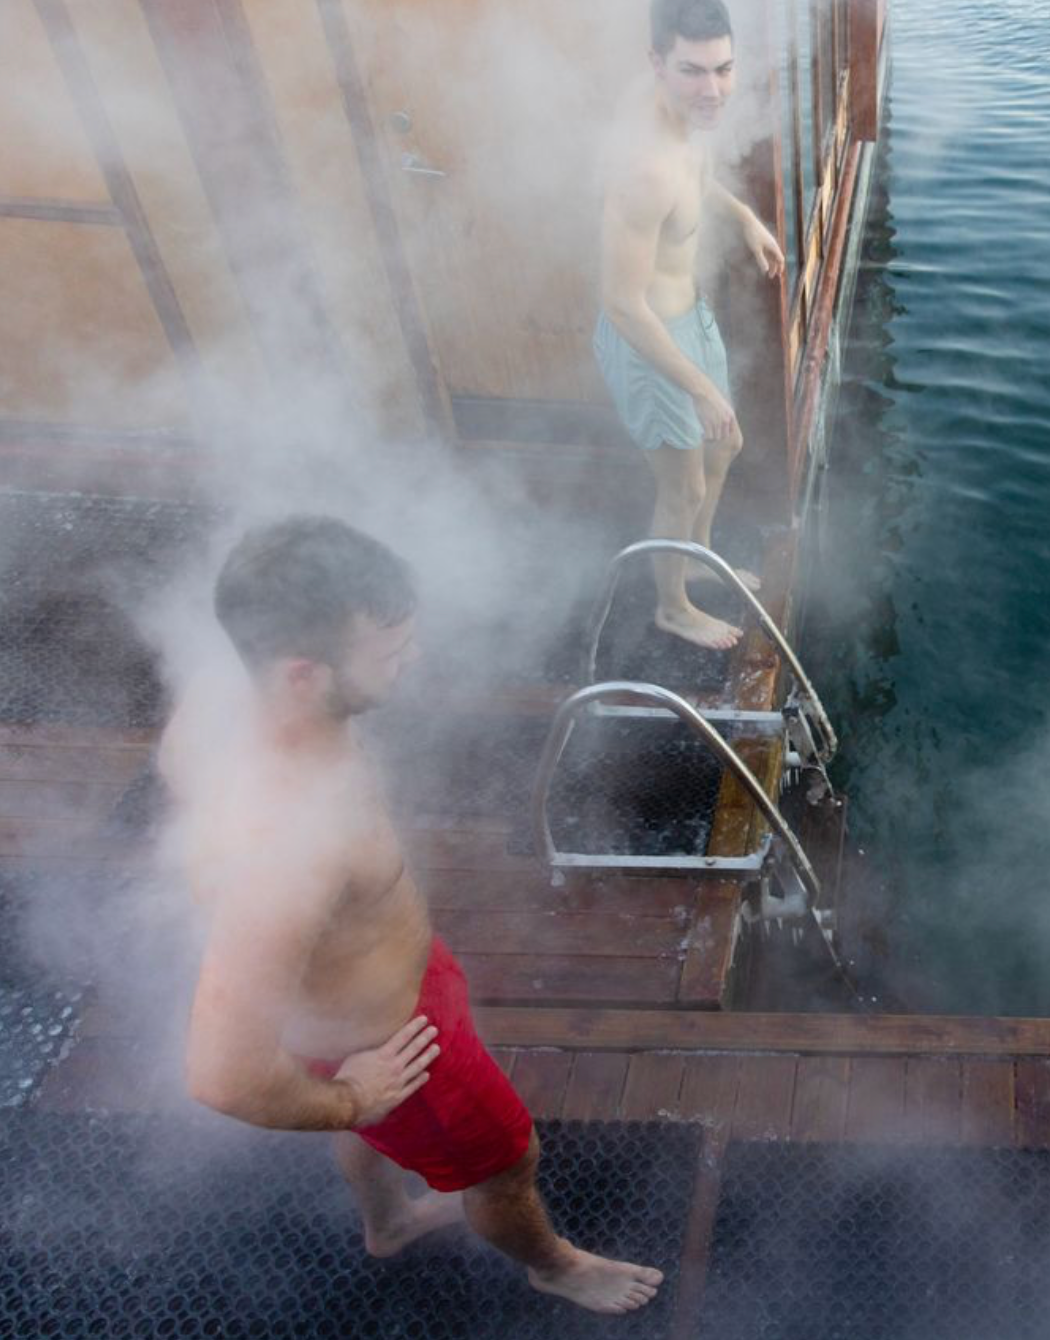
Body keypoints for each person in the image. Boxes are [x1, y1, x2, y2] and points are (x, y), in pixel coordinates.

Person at [162, 516, 662, 1315]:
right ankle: (553, 1265)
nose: (413, 660)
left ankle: (389, 1221)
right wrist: (354, 1097)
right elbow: (221, 1074)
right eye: (391, 654)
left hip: (378, 1007)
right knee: (507, 1162)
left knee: (375, 1129)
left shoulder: (226, 698)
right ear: (302, 675)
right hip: (397, 1050)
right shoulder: (288, 846)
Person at [595, 0, 785, 650]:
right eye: (693, 71)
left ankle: (699, 553)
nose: (713, 90)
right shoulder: (641, 168)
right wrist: (700, 389)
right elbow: (621, 304)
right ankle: (671, 607)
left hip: (687, 316)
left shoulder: (682, 117)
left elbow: (696, 181)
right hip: (648, 339)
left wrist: (745, 218)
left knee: (725, 446)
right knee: (683, 484)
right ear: (657, 64)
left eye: (724, 69)